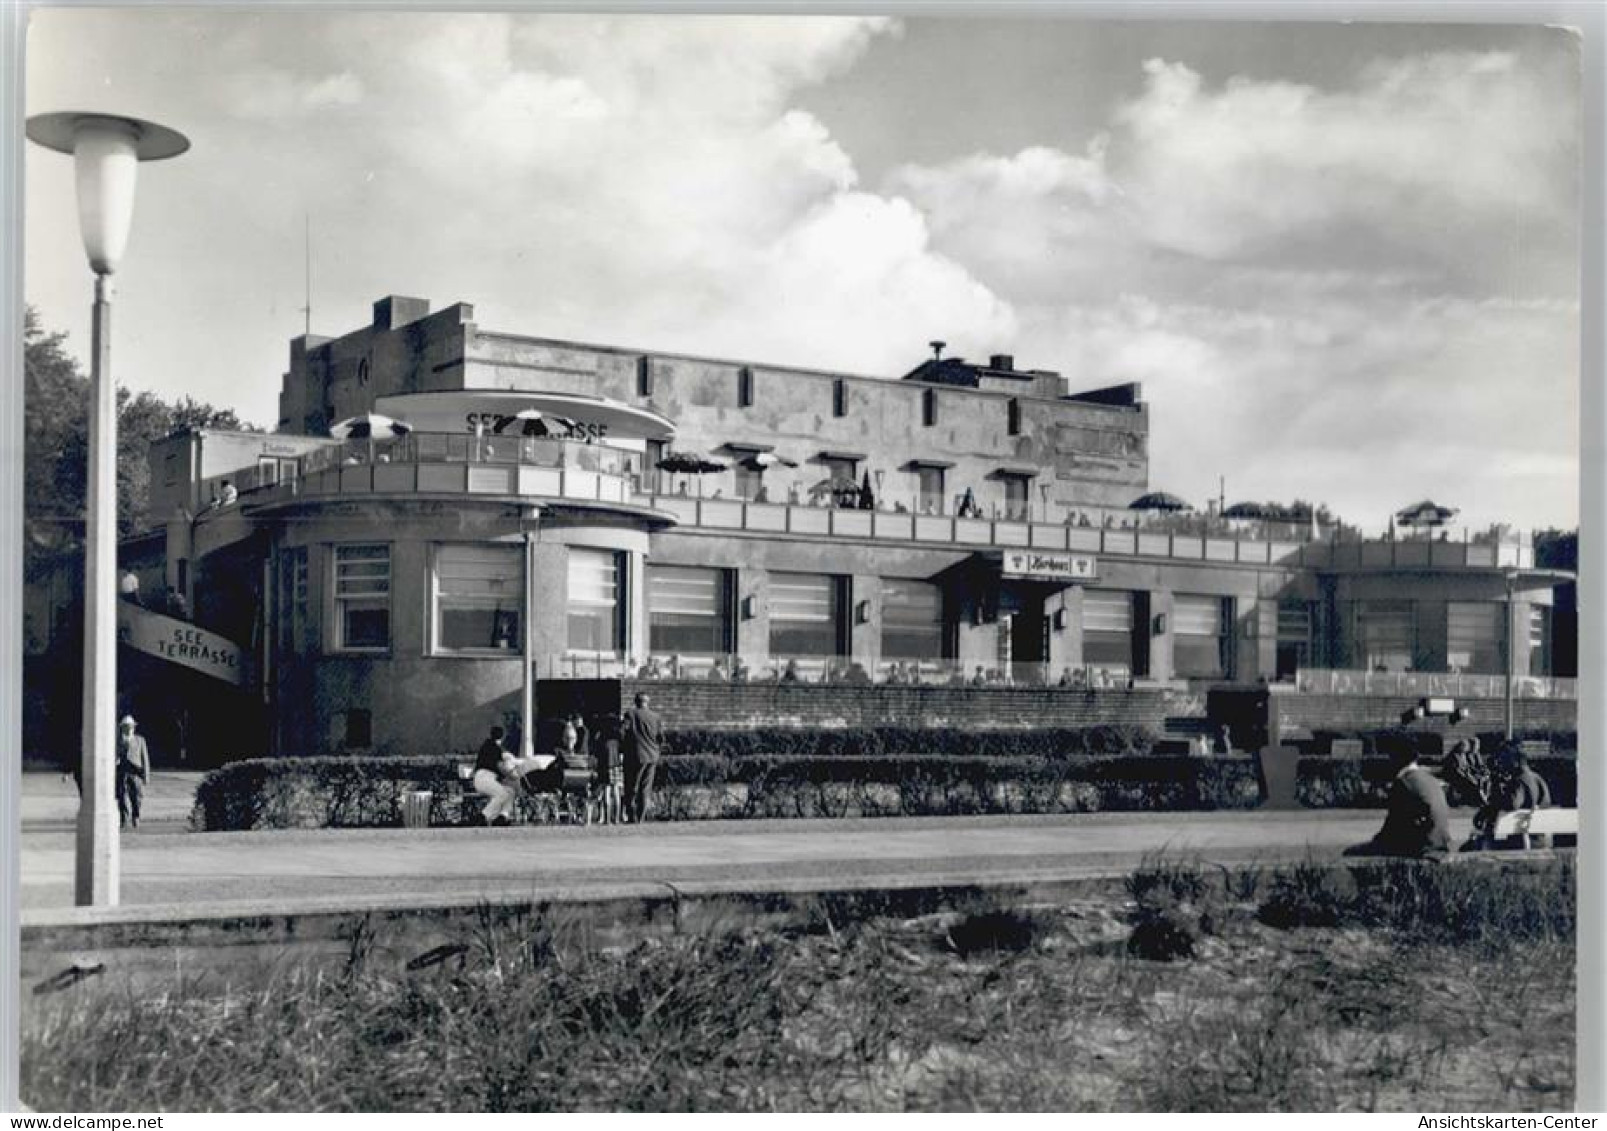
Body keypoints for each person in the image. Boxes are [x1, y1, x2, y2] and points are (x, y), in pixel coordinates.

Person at [1344, 745, 1453, 860]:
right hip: (1440, 842)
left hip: (1421, 846)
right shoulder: (1430, 779)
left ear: (1397, 759)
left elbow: (1392, 825)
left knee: (1351, 853)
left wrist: (1376, 842)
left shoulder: (1404, 782)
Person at [1469, 745, 1553, 849]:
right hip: (1539, 840)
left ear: (1515, 762)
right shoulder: (1539, 779)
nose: (1502, 764)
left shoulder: (1519, 781)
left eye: (1505, 761)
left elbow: (1512, 804)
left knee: (1480, 841)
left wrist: (1491, 805)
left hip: (1521, 843)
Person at [621, 692, 665, 824]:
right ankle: (640, 818)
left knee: (631, 787)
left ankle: (631, 817)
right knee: (645, 789)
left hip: (635, 756)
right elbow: (661, 738)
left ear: (636, 702)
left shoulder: (631, 714)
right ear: (647, 702)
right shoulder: (656, 717)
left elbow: (623, 731)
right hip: (652, 756)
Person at [115, 715, 151, 830]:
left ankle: (136, 816)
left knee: (136, 797)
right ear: (122, 728)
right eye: (126, 727)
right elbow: (113, 756)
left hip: (136, 774)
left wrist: (146, 776)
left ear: (133, 727)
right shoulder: (117, 741)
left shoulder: (140, 740)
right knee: (122, 798)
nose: (128, 729)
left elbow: (145, 759)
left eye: (130, 726)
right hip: (121, 773)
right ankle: (123, 819)